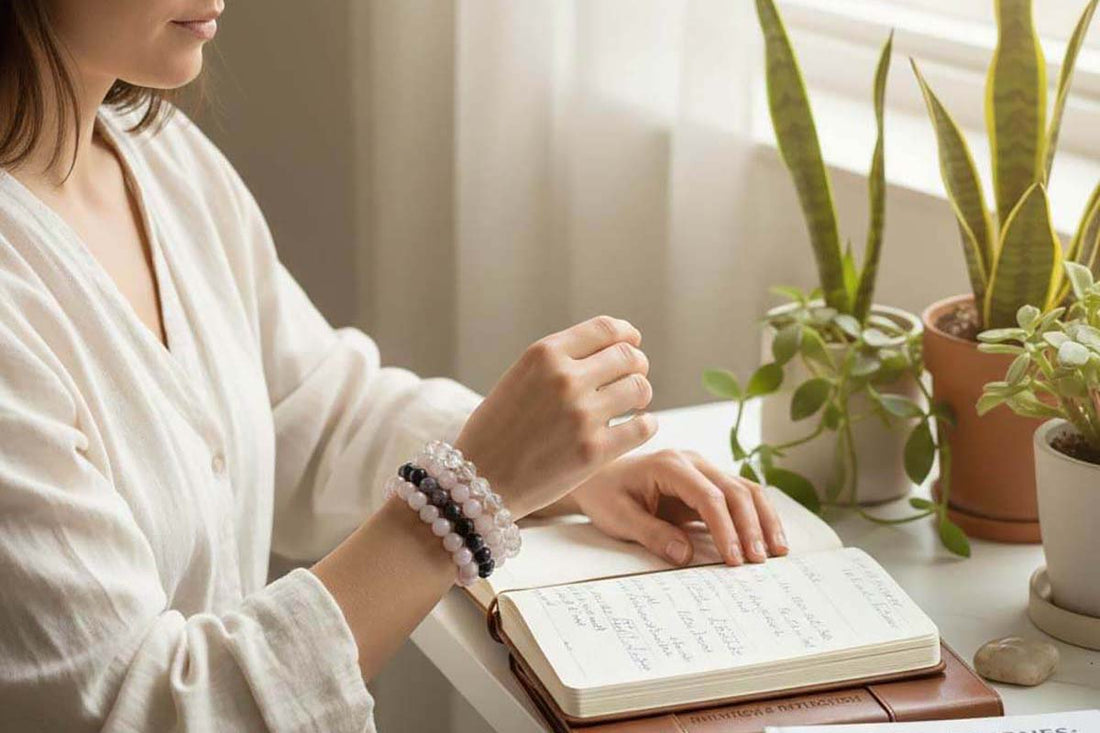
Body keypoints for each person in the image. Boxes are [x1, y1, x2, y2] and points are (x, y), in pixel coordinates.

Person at [0, 1, 789, 730]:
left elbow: (311, 409)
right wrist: (466, 498)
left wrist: (556, 472)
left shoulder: (160, 159)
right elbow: (142, 708)